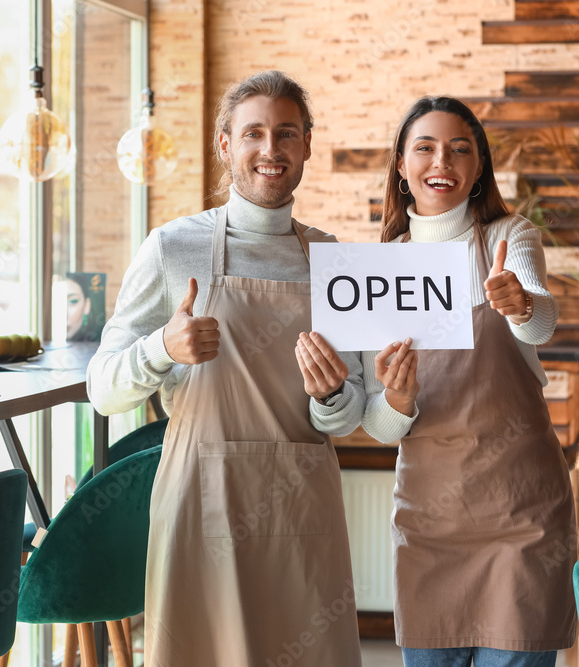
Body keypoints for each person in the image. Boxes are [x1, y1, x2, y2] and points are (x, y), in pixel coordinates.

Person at [86, 70, 364, 666]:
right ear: (225, 145)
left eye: (287, 134)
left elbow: (349, 416)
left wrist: (332, 396)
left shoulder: (335, 259)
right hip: (200, 506)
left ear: (307, 144)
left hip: (302, 509)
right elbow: (103, 389)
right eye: (254, 133)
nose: (271, 150)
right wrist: (162, 347)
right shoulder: (171, 248)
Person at [361, 96, 577, 667]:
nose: (443, 161)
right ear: (402, 167)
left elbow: (542, 325)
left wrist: (520, 303)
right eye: (426, 148)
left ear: (479, 167)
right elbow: (381, 427)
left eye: (461, 149)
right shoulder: (379, 270)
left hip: (521, 516)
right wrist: (399, 400)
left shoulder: (511, 237)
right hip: (429, 522)